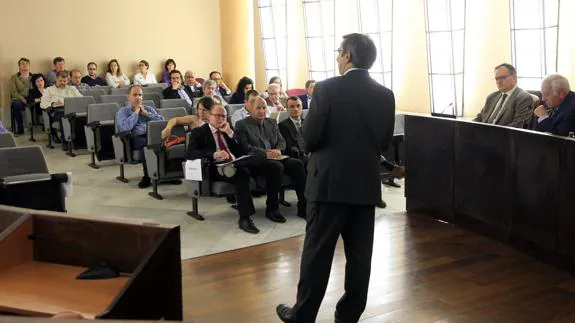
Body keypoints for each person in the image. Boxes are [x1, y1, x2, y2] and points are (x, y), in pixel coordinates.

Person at [276, 33, 396, 323]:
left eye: (338, 52)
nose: (337, 57)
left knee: (317, 253)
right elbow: (383, 142)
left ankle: (302, 315)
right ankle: (348, 315)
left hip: (328, 185)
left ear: (347, 56)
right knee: (359, 257)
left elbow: (310, 139)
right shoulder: (385, 94)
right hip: (365, 186)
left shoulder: (327, 89)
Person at [187, 100, 261, 234]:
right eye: (217, 115)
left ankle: (273, 207)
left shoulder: (228, 130)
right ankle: (245, 218)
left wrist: (231, 134)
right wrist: (214, 154)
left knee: (263, 162)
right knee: (242, 173)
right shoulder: (198, 132)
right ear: (209, 116)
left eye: (224, 116)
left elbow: (242, 151)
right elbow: (191, 154)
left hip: (235, 163)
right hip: (215, 167)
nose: (221, 119)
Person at [235, 96, 307, 222]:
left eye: (264, 108)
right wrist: (266, 153)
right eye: (258, 108)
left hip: (276, 156)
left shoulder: (271, 122)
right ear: (251, 108)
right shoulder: (242, 124)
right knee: (276, 167)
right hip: (257, 159)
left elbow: (281, 141)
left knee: (297, 164)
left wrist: (278, 150)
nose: (262, 111)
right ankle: (272, 208)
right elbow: (246, 147)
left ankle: (303, 206)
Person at [116, 85, 164, 188]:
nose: (138, 97)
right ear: (129, 97)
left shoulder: (148, 109)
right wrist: (136, 112)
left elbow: (162, 121)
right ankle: (147, 176)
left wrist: (146, 114)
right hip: (134, 139)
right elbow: (125, 128)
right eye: (135, 95)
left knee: (165, 143)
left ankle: (164, 175)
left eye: (140, 95)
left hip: (152, 136)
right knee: (146, 144)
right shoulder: (123, 112)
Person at [473, 63, 533, 127]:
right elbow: (480, 118)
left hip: (502, 136)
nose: (499, 82)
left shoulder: (523, 98)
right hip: (481, 133)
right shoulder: (491, 97)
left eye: (503, 78)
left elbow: (518, 126)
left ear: (514, 78)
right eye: (496, 79)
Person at [40, 71, 83, 143]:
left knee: (80, 116)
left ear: (68, 80)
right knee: (64, 115)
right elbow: (42, 104)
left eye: (64, 81)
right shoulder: (49, 90)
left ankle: (80, 141)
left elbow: (82, 99)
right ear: (56, 79)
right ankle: (66, 141)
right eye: (60, 81)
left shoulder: (72, 89)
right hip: (57, 111)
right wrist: (53, 103)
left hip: (72, 109)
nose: (62, 83)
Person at [278, 96, 306, 164]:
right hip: (296, 155)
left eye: (298, 106)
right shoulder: (282, 125)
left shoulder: (307, 123)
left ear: (302, 108)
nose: (296, 109)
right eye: (292, 106)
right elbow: (290, 146)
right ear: (287, 109)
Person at [9, 58, 32, 134]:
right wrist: (23, 99)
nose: (25, 65)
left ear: (29, 66)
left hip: (31, 97)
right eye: (22, 63)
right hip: (19, 98)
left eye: (26, 64)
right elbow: (13, 92)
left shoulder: (34, 76)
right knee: (17, 105)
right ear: (19, 66)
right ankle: (20, 127)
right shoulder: (14, 77)